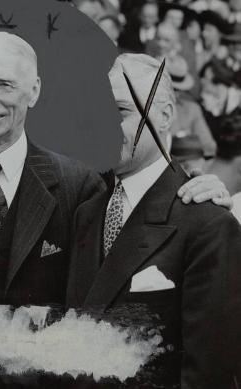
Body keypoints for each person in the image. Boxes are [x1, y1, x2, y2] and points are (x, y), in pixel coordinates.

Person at [0, 31, 230, 389]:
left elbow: (209, 366)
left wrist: (204, 186)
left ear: (35, 91)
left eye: (6, 85)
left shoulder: (80, 187)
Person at [66, 53, 241, 389]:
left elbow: (208, 375)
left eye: (120, 111)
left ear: (164, 116)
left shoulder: (208, 223)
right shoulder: (86, 214)